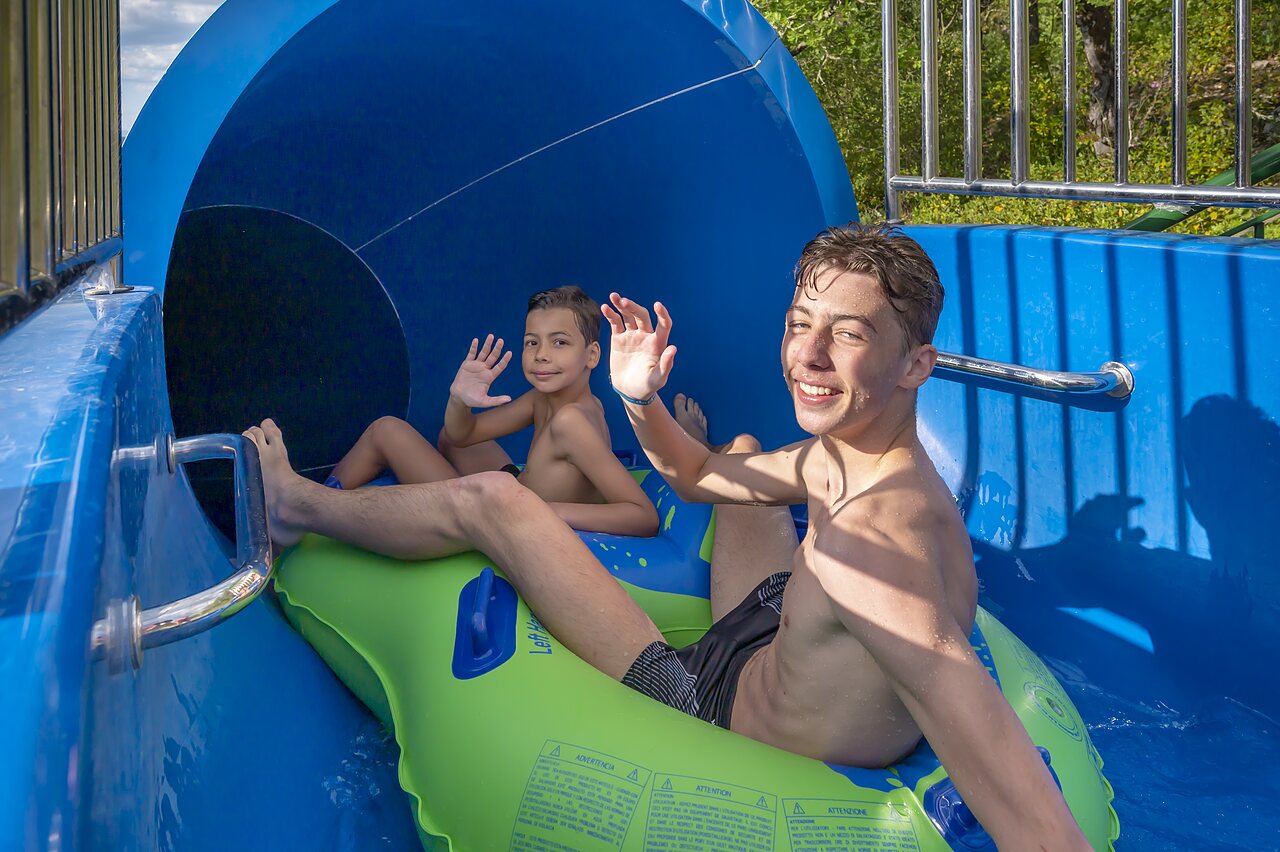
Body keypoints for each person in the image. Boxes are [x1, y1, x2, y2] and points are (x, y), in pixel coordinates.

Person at [245, 224, 1088, 848]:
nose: (810, 356)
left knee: (497, 506)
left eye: (851, 334)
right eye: (802, 323)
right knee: (748, 456)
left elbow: (978, 729)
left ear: (916, 366)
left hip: (710, 705)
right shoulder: (844, 461)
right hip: (773, 632)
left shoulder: (877, 552)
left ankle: (297, 507)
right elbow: (697, 479)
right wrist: (639, 399)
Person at [323, 285, 658, 537]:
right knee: (451, 440)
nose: (541, 355)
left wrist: (544, 511)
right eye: (532, 342)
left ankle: (314, 504)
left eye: (559, 342)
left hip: (502, 518)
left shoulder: (573, 422)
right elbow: (461, 434)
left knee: (386, 431)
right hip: (518, 488)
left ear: (592, 355)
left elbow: (643, 516)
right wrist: (459, 400)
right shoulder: (542, 400)